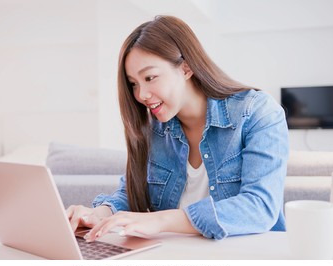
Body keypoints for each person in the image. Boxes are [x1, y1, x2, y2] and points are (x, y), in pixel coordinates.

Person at [67, 15, 289, 241]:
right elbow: (131, 194)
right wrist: (99, 214)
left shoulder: (257, 112)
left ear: (186, 68)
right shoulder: (154, 129)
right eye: (134, 83)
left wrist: (161, 220)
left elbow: (260, 207)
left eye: (150, 77)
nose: (141, 95)